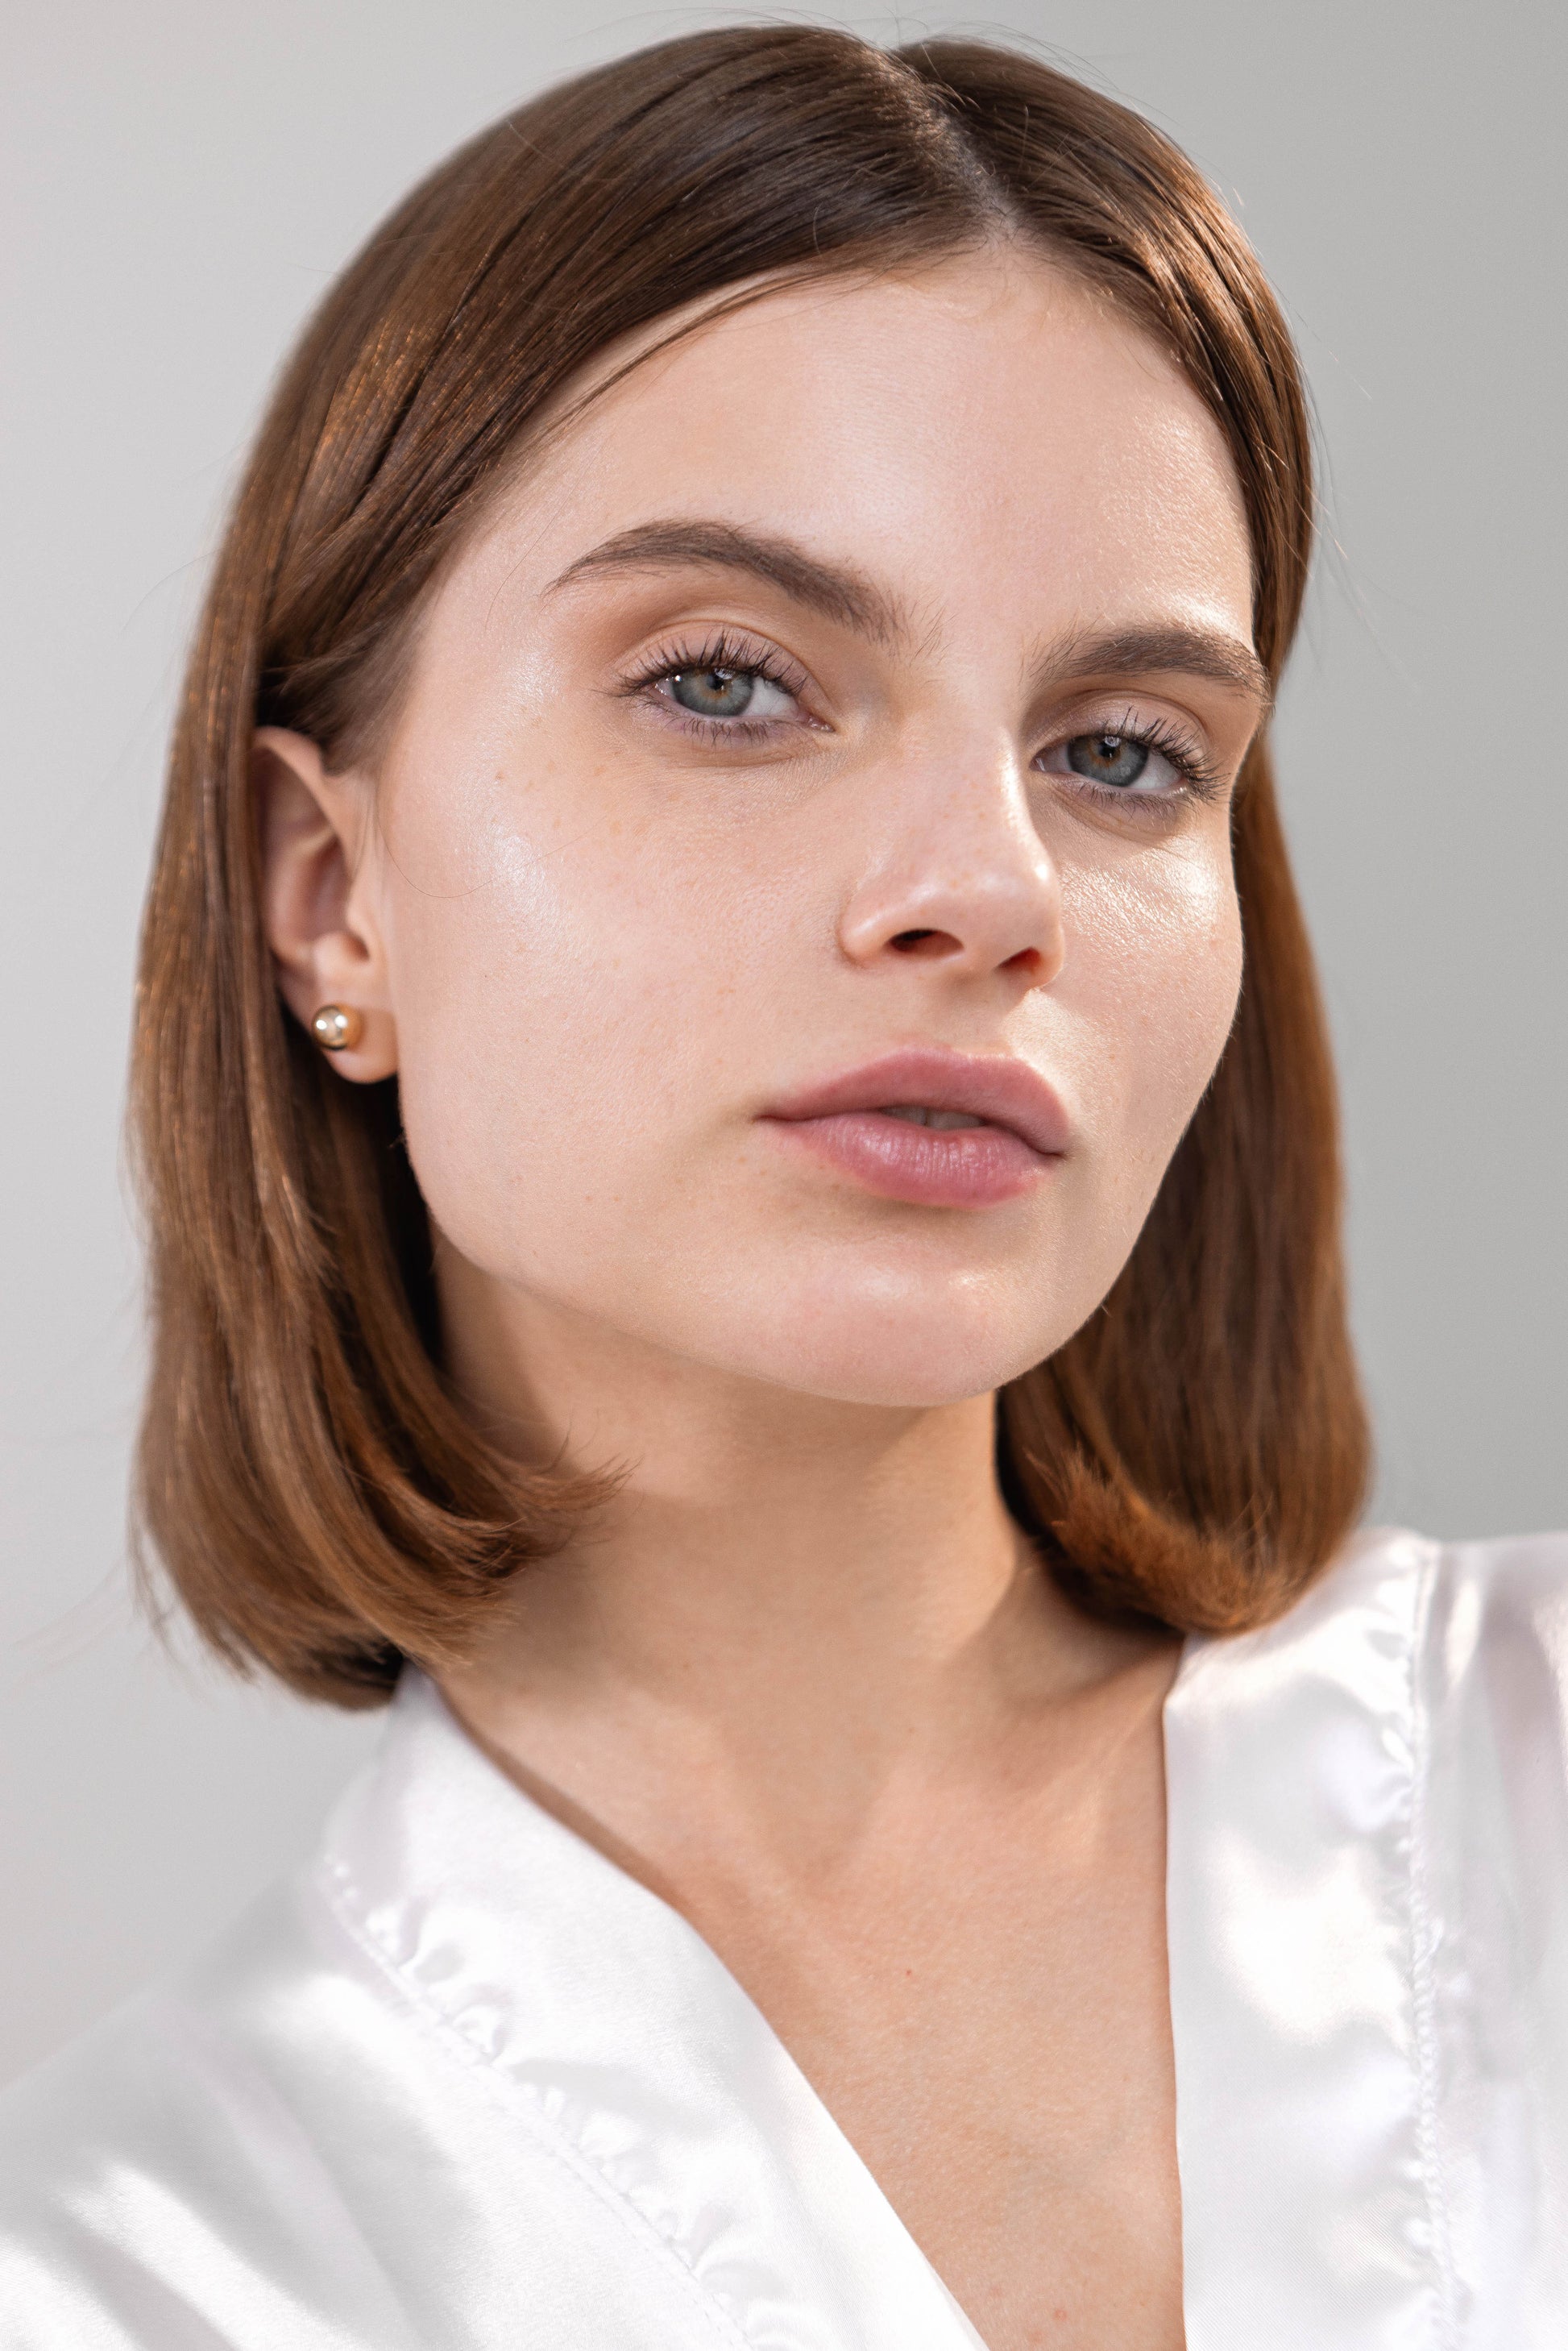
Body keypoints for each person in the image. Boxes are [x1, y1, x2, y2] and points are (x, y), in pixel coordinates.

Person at [1, 24, 1562, 2349]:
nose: (986, 883)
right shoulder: (147, 2273)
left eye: (1124, 752)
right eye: (730, 682)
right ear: (331, 891)